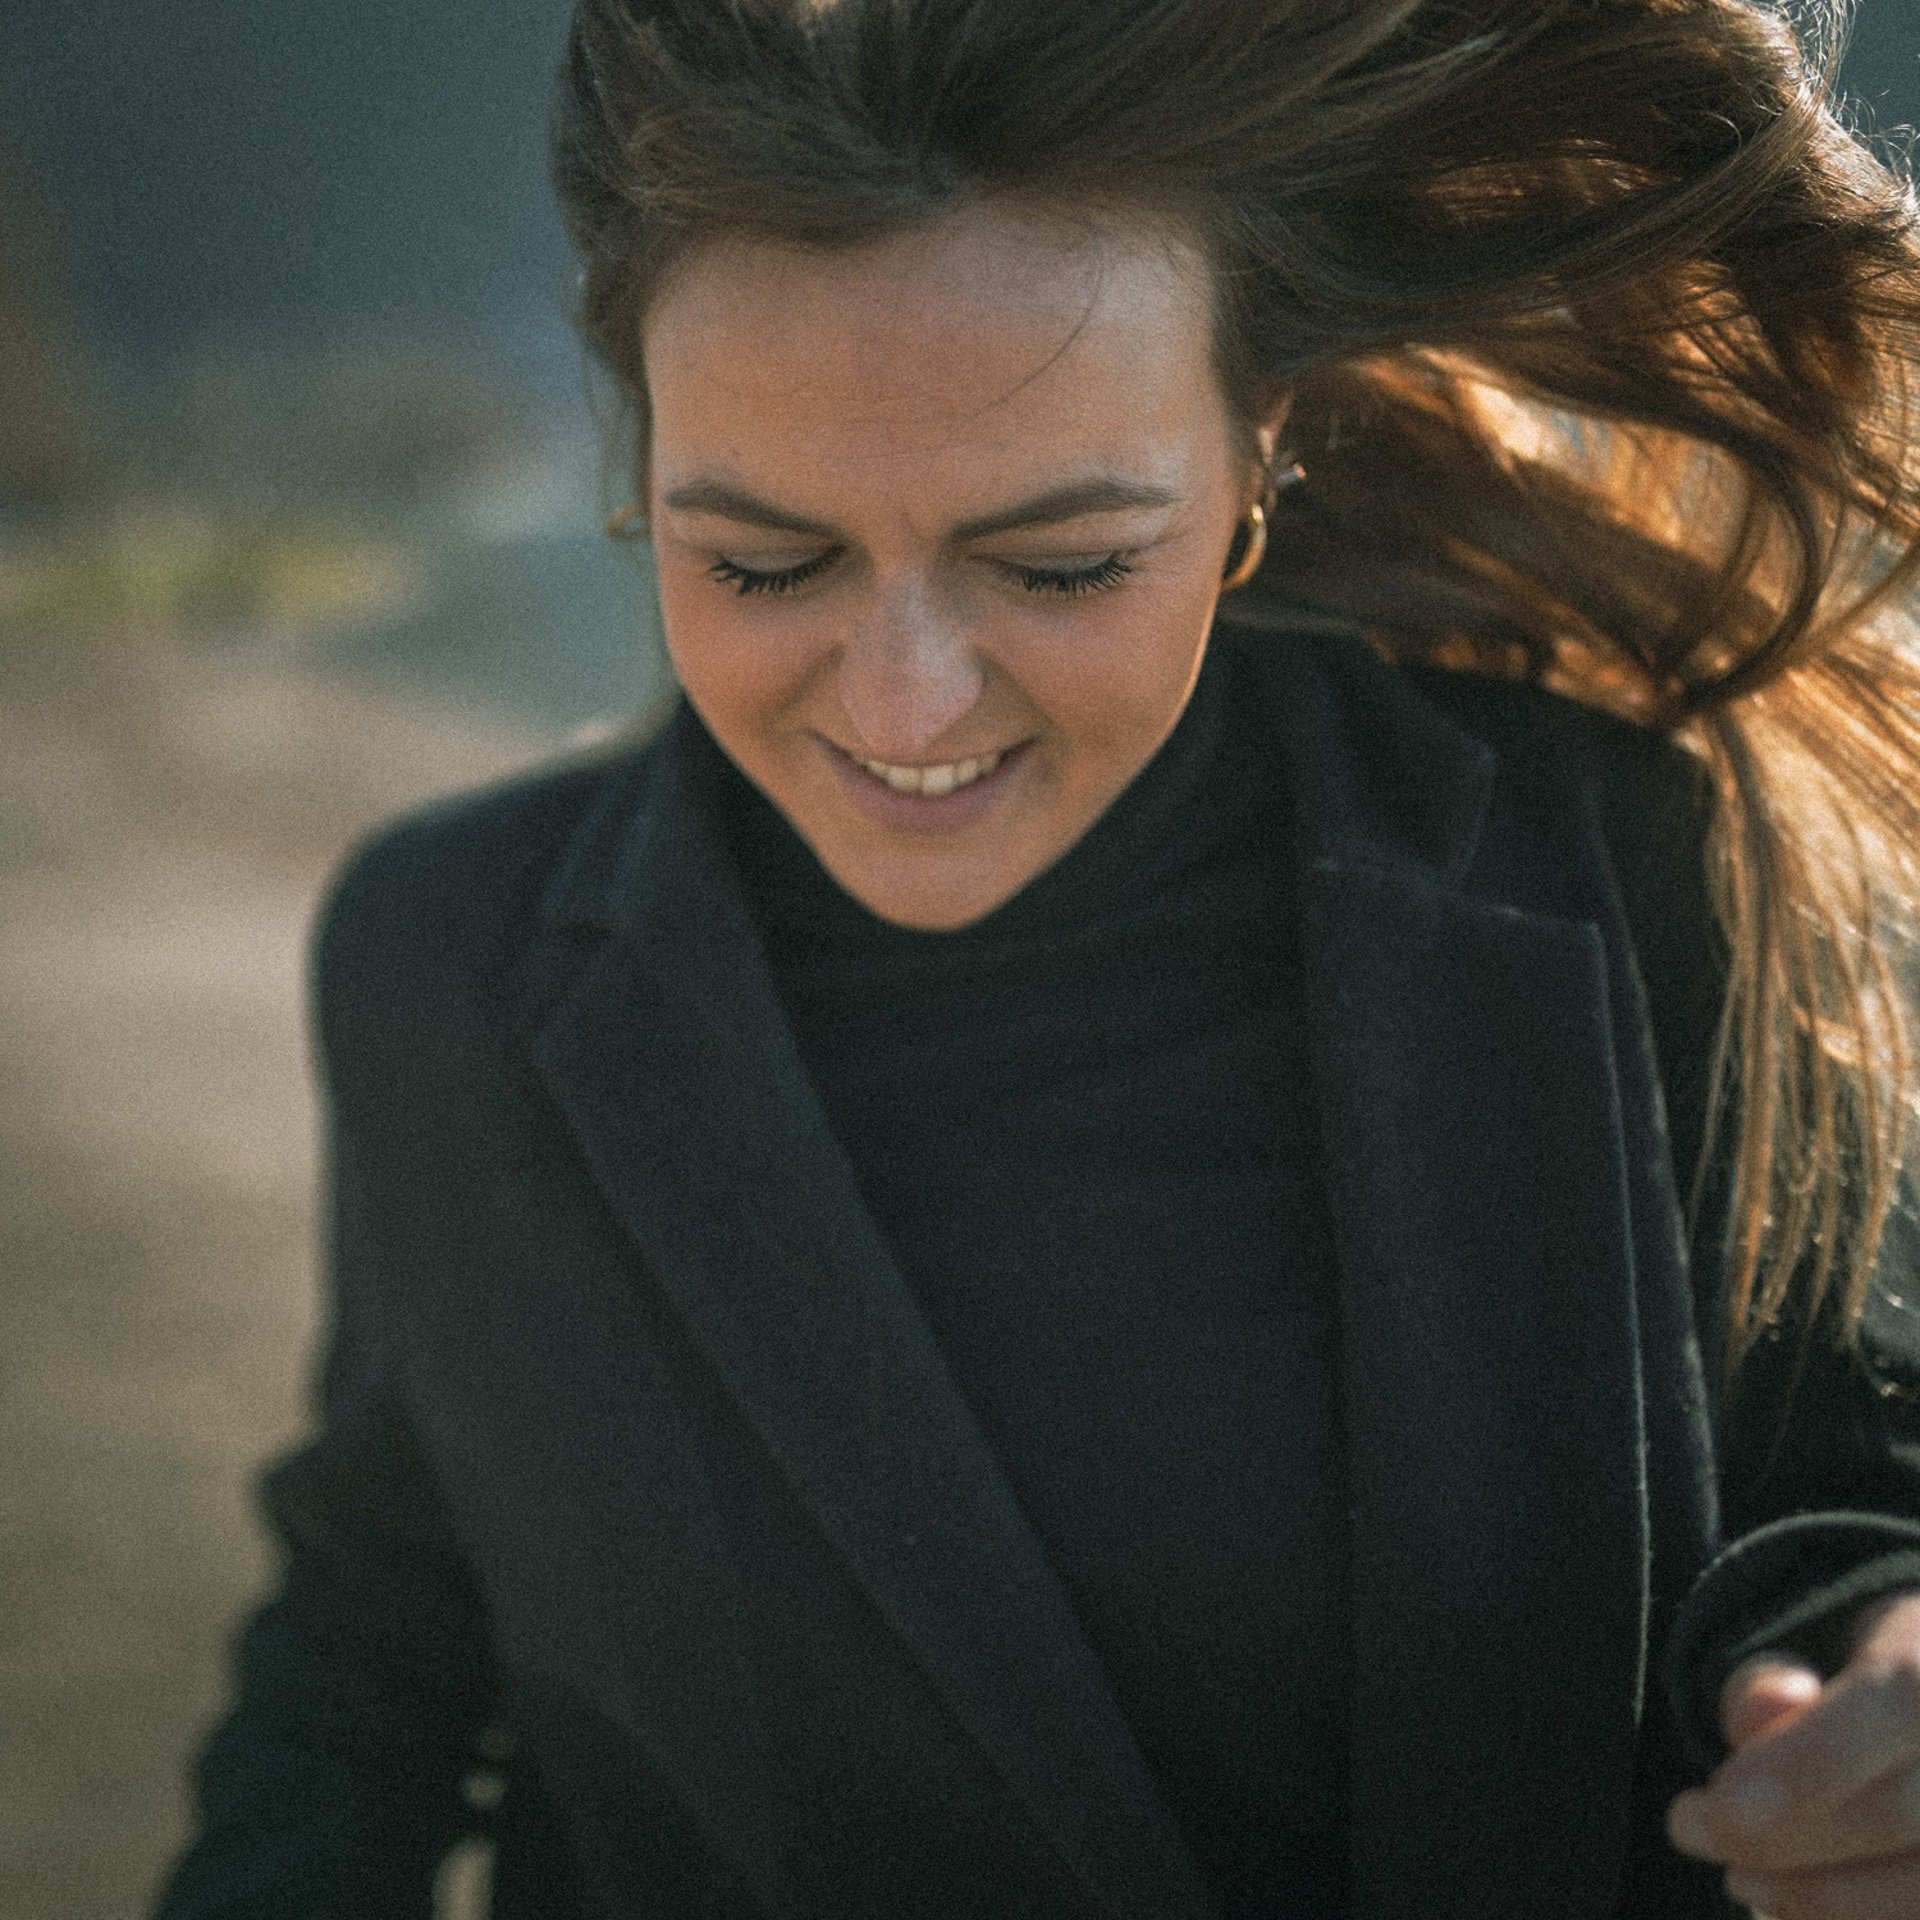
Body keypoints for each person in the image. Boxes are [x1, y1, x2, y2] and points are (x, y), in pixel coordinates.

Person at [151, 1, 1920, 1915]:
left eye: (1062, 564)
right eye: (759, 561)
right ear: (639, 464)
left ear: (1259, 456)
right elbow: (370, 1661)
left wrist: (1884, 1660)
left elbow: (1833, 1473)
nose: (907, 701)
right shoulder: (456, 962)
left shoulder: (1617, 860)